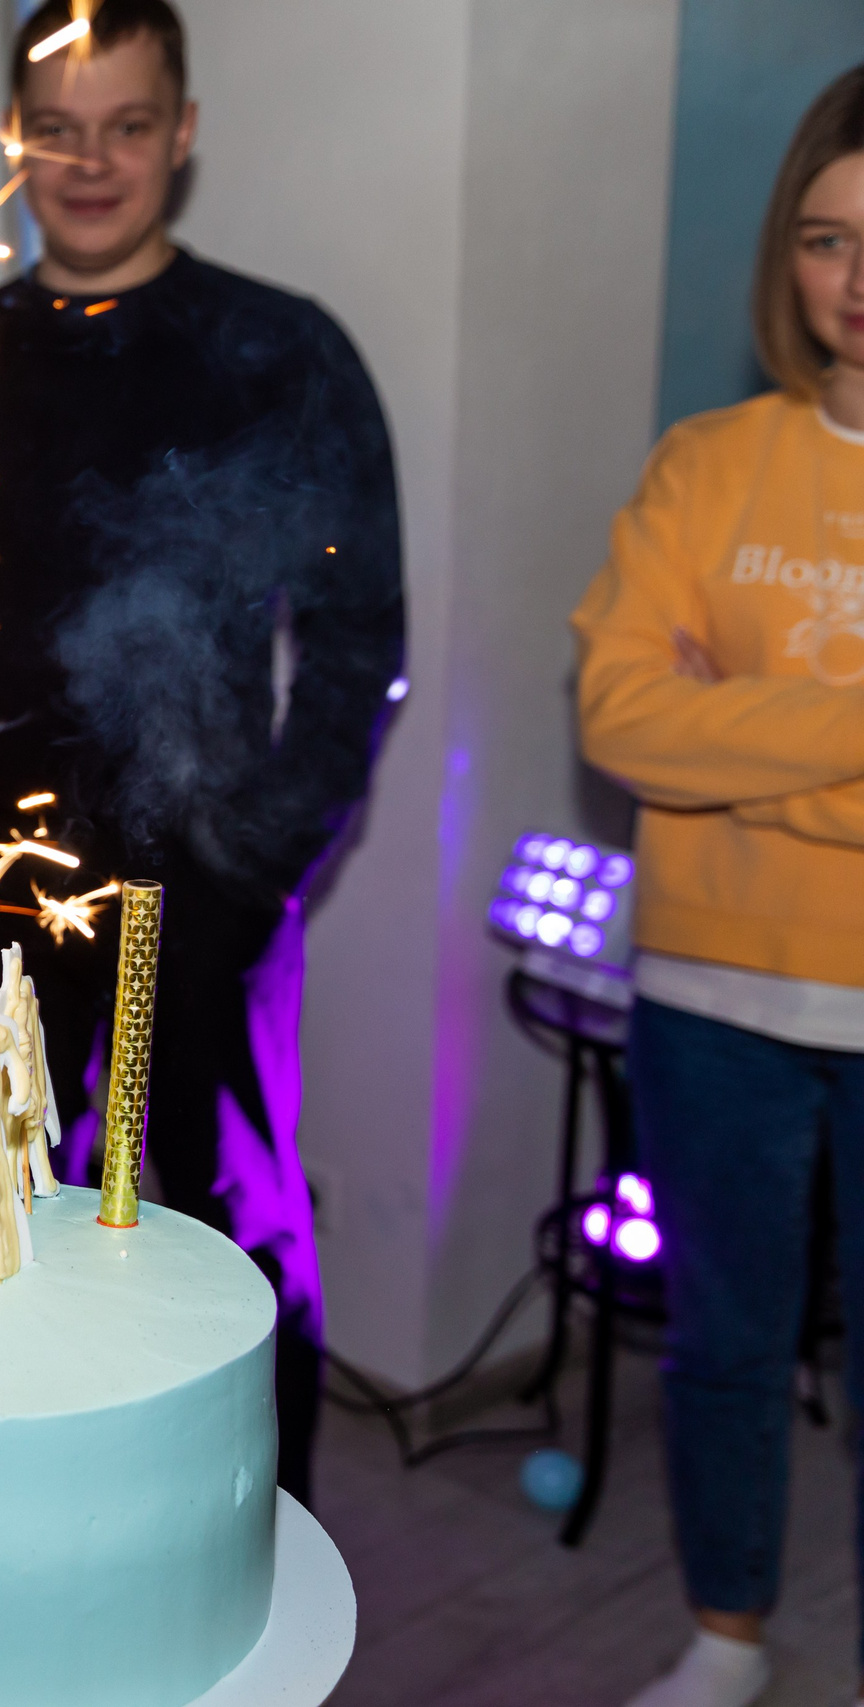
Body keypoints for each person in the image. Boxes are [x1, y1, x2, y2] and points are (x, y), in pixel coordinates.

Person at [0, 0, 404, 1504]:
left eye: (130, 125)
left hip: (201, 888)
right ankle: (27, 1526)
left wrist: (259, 850)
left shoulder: (280, 352)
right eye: (59, 127)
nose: (91, 162)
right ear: (12, 135)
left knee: (230, 1229)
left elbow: (359, 637)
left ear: (185, 131)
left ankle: (255, 1533)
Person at [577, 67, 864, 1707]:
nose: (859, 280)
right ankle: (730, 1636)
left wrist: (731, 736)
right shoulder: (708, 464)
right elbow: (622, 721)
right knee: (725, 1344)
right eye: (827, 238)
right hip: (710, 995)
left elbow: (684, 732)